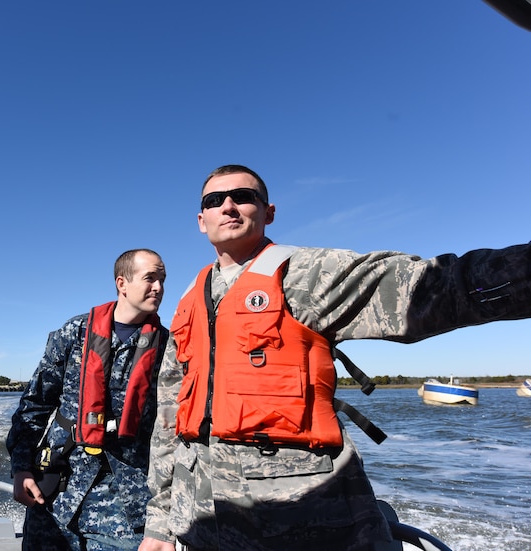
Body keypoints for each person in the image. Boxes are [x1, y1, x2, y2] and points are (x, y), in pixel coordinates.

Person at [139, 164, 531, 551]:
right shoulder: (191, 299)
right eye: (214, 200)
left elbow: (435, 286)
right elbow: (170, 415)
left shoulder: (307, 274)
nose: (228, 206)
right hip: (201, 522)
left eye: (243, 197)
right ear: (201, 219)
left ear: (268, 212)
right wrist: (159, 523)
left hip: (300, 519)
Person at [7, 249, 168, 550]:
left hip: (124, 509)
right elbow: (34, 405)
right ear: (122, 283)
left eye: (162, 279)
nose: (158, 287)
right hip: (54, 496)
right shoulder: (73, 333)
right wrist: (21, 469)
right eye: (150, 278)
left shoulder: (168, 348)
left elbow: (173, 434)